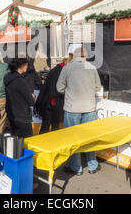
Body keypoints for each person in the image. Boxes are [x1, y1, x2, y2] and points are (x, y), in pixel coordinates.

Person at [56, 47, 101, 176]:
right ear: (85, 57)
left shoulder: (67, 68)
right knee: (89, 138)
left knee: (72, 139)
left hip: (72, 109)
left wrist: (70, 91)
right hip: (89, 108)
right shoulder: (92, 68)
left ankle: (76, 168)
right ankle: (92, 165)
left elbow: (59, 88)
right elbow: (98, 87)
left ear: (74, 57)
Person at [4, 58, 36, 138]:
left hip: (12, 115)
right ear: (21, 66)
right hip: (22, 116)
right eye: (26, 65)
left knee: (15, 141)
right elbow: (31, 102)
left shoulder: (8, 77)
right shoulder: (20, 81)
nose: (27, 67)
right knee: (27, 141)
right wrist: (32, 96)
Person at [37, 56, 70, 134]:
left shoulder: (56, 69)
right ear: (66, 62)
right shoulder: (61, 70)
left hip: (49, 101)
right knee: (53, 126)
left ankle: (42, 143)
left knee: (46, 125)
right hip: (54, 102)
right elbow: (57, 87)